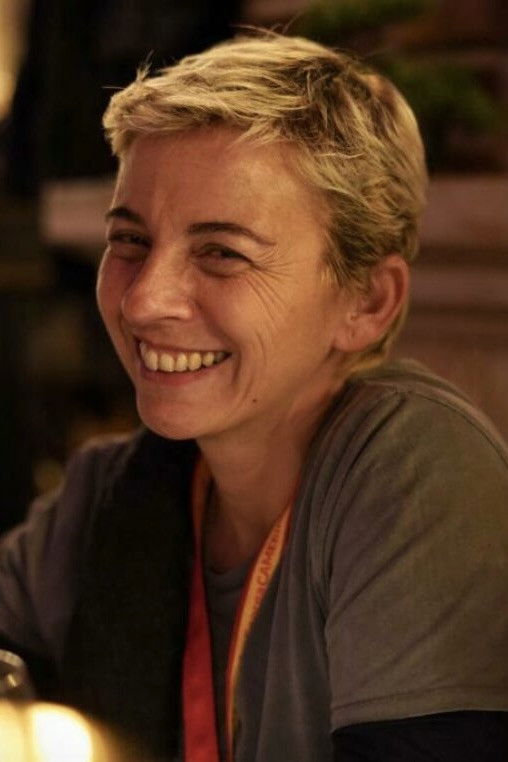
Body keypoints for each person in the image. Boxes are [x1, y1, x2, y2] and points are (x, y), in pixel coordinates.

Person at [1, 32, 508, 762]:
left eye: (221, 253)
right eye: (130, 240)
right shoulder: (106, 495)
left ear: (367, 301)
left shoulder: (417, 468)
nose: (144, 301)